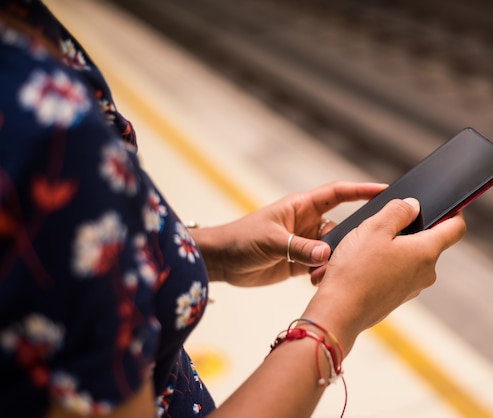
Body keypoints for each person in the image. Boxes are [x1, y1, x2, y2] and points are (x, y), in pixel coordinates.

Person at [0, 1, 466, 417]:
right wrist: (340, 315)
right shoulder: (39, 125)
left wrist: (206, 250)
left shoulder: (25, 29)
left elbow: (41, 271)